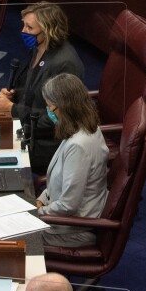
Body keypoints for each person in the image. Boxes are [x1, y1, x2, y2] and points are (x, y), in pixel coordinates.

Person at [0, 2, 84, 174]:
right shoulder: (39, 48)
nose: (23, 31)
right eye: (23, 25)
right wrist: (12, 96)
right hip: (26, 128)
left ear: (48, 31)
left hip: (47, 144)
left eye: (29, 27)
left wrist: (12, 109)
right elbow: (31, 88)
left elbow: (56, 120)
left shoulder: (65, 64)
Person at [35, 73, 108, 248]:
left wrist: (37, 212)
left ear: (63, 108)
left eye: (50, 107)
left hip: (72, 230)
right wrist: (42, 198)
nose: (49, 112)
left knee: (16, 239)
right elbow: (62, 180)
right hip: (65, 216)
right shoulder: (84, 128)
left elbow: (69, 205)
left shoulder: (79, 146)